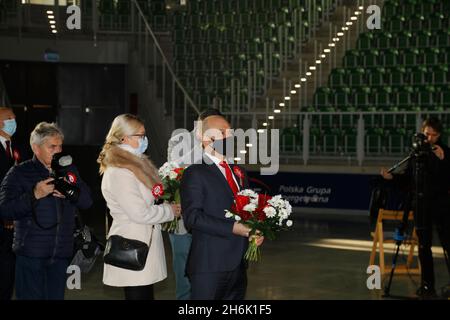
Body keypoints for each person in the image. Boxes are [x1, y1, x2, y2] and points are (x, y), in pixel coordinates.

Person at [0, 122, 92, 300]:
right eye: (52, 146)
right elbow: (5, 210)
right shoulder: (19, 173)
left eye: (60, 146)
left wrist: (70, 193)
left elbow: (87, 202)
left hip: (60, 256)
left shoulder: (69, 170)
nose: (58, 151)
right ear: (36, 148)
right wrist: (34, 194)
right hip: (31, 255)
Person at [98, 114, 181, 300]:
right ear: (123, 138)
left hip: (144, 241)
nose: (144, 140)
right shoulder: (120, 171)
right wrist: (169, 211)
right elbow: (139, 213)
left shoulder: (136, 165)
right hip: (132, 243)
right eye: (140, 135)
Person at [180, 114, 264, 300]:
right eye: (222, 132)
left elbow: (247, 209)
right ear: (204, 137)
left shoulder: (238, 170)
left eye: (230, 132)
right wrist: (235, 228)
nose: (228, 137)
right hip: (210, 265)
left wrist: (255, 230)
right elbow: (192, 217)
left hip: (238, 265)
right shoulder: (195, 172)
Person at [381, 117, 450, 299]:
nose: (430, 138)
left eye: (434, 135)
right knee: (423, 246)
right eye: (427, 134)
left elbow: (445, 176)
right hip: (421, 205)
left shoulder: (444, 151)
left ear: (439, 135)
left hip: (441, 205)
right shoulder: (416, 152)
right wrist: (393, 178)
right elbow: (408, 179)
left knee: (448, 243)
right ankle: (428, 286)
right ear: (422, 132)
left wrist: (440, 158)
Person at [166, 108, 223, 300]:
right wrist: (203, 144)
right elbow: (175, 169)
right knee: (183, 280)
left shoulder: (222, 142)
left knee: (209, 279)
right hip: (182, 222)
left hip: (209, 222)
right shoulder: (179, 140)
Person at [0, 107, 28, 300]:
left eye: (14, 118)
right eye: (9, 118)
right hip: (3, 216)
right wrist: (6, 212)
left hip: (15, 217)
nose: (13, 121)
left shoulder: (15, 147)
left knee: (9, 267)